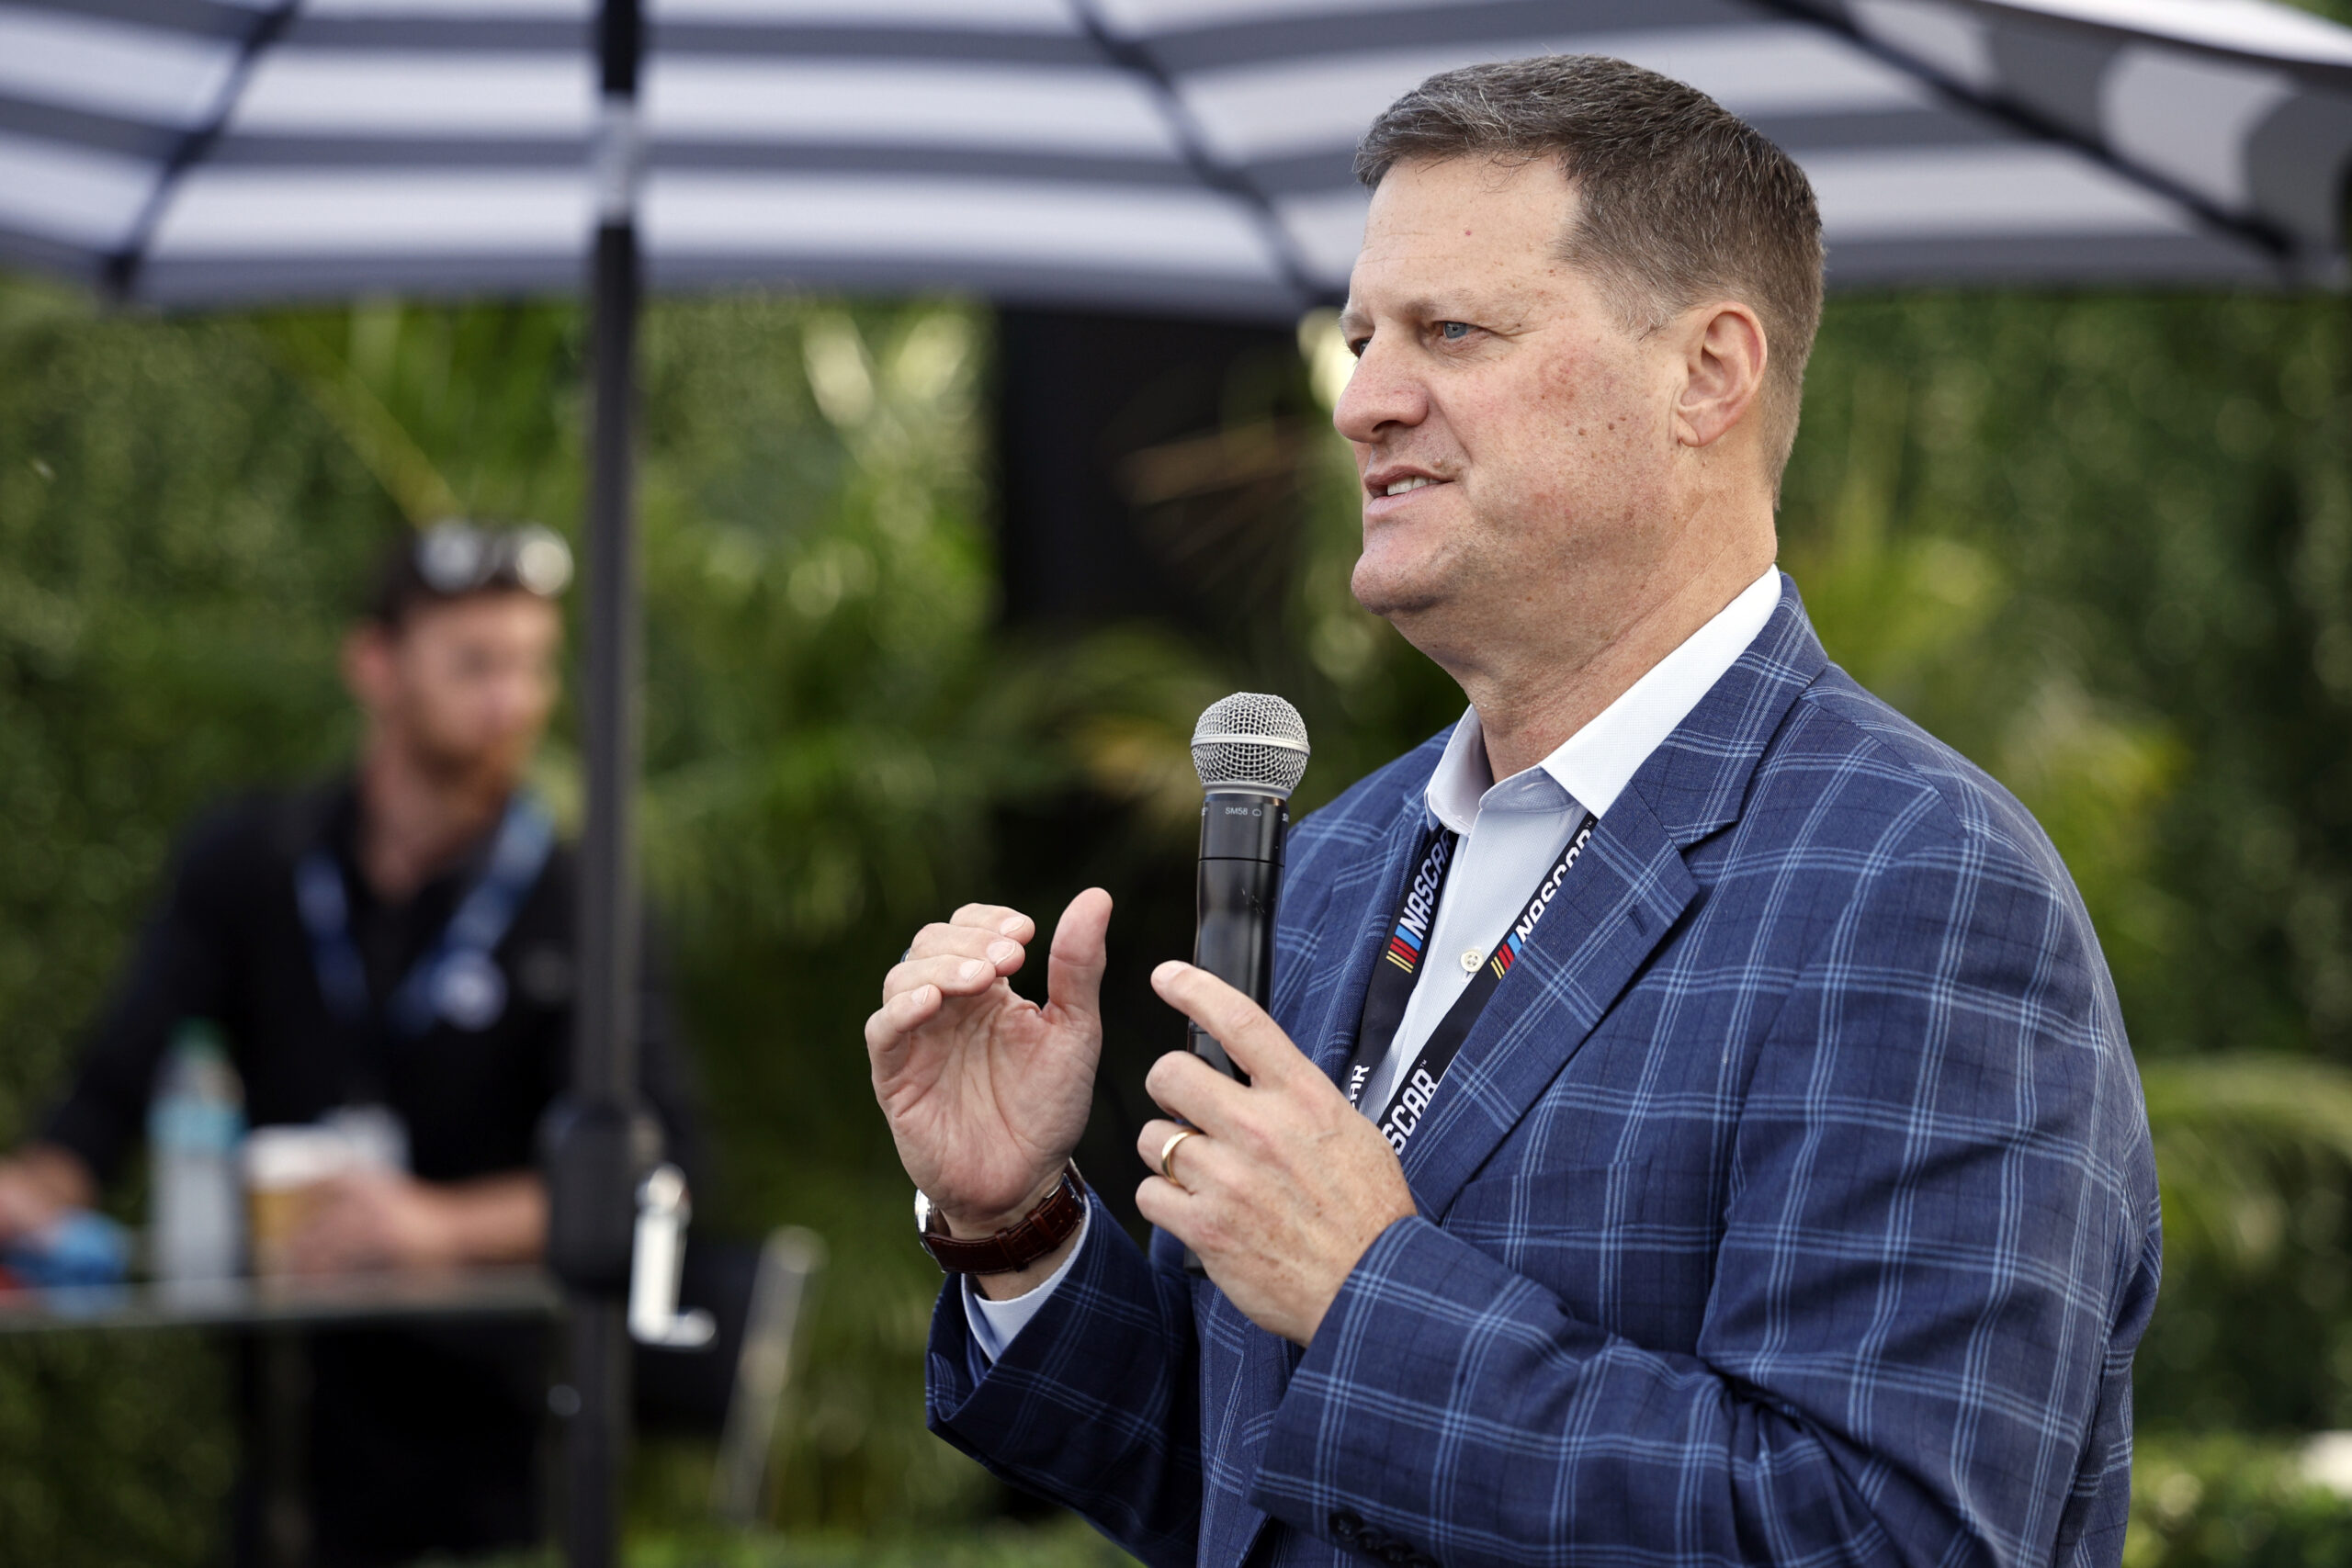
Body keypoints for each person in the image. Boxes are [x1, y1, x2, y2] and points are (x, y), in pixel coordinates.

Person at [866, 55, 2160, 1568]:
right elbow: (1246, 1488)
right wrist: (1020, 1225)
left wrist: (1369, 1293)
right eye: (1357, 337)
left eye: (1451, 331)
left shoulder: (1920, 885)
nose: (1364, 402)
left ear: (1708, 373)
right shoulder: (1341, 861)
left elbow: (1883, 1536)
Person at [0, 521, 700, 1566]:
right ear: (374, 665)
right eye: (475, 664)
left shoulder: (577, 894)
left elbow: (663, 1169)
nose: (512, 701)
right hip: (285, 1429)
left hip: (496, 1446)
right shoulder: (253, 859)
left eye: (532, 666)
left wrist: (438, 1227)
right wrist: (41, 1188)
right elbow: (118, 1076)